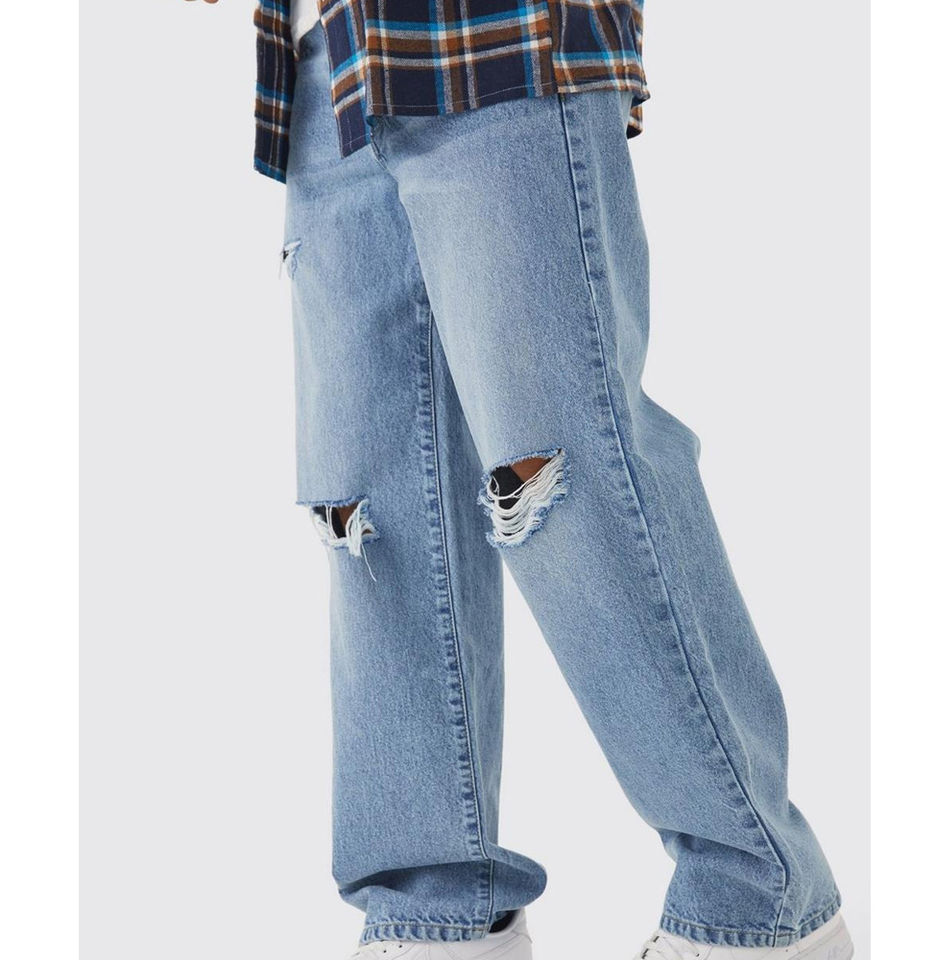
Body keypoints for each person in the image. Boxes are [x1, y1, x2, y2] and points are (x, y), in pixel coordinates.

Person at [187, 1, 854, 958]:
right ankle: (434, 914)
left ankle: (758, 907)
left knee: (563, 474)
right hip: (325, 64)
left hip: (486, 31)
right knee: (374, 519)